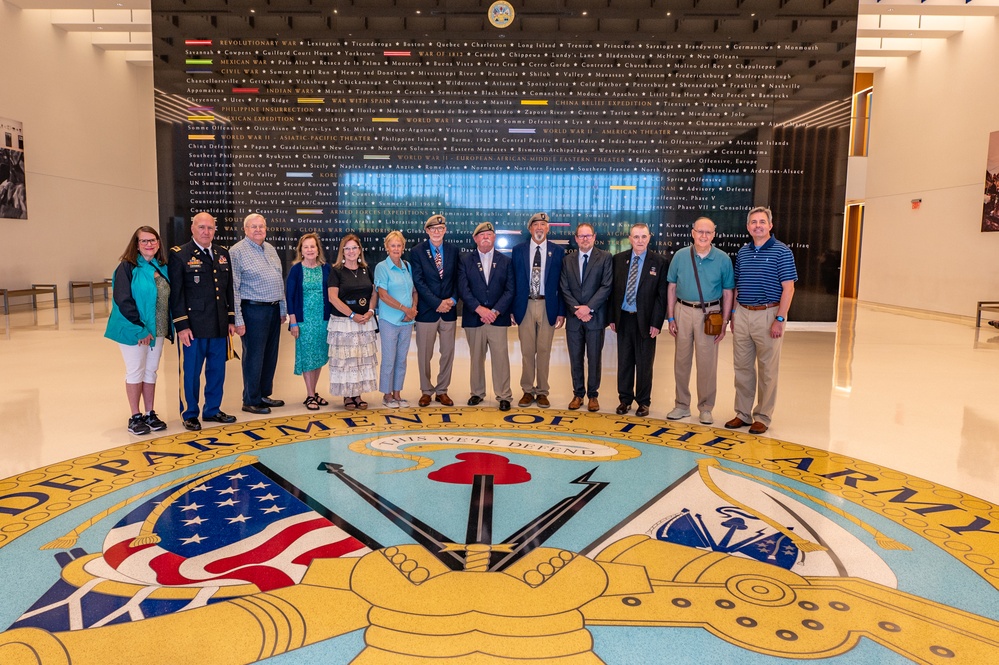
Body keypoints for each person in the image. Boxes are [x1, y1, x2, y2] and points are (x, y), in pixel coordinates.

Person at [725, 206, 798, 435]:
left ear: (770, 225)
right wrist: (735, 314)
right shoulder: (744, 252)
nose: (758, 225)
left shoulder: (782, 251)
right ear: (748, 227)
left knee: (767, 369)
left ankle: (763, 416)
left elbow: (789, 288)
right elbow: (737, 286)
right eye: (753, 222)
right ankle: (743, 413)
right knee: (742, 367)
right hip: (744, 313)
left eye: (762, 222)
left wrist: (779, 319)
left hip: (769, 314)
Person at [168, 212, 237, 432]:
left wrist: (231, 319)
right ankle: (189, 413)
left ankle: (212, 409)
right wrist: (181, 325)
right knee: (191, 373)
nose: (206, 232)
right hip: (193, 328)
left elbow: (228, 290)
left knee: (217, 371)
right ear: (192, 228)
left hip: (218, 325)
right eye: (202, 227)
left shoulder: (222, 253)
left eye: (210, 228)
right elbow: (176, 294)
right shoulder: (180, 255)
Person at [665, 217, 735, 426]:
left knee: (707, 364)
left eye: (708, 232)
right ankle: (681, 405)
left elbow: (728, 292)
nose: (703, 236)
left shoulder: (723, 259)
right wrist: (670, 317)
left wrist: (725, 321)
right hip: (683, 310)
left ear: (714, 234)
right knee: (681, 361)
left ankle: (705, 408)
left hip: (710, 314)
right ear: (693, 232)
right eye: (700, 232)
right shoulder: (680, 256)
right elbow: (671, 287)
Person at [105, 226, 172, 435]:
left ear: (158, 243)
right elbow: (122, 300)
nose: (149, 244)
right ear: (136, 244)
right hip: (133, 329)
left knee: (151, 370)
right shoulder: (127, 268)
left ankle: (150, 412)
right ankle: (135, 416)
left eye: (152, 240)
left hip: (158, 329)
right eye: (143, 241)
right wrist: (140, 328)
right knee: (136, 370)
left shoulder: (162, 267)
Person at [230, 213, 287, 415]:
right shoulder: (237, 252)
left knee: (270, 355)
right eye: (253, 226)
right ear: (245, 229)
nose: (258, 230)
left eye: (261, 226)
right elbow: (234, 287)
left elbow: (278, 280)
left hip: (272, 308)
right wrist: (238, 318)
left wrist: (282, 308)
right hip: (252, 310)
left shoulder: (270, 249)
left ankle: (263, 394)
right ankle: (251, 399)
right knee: (254, 355)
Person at [609, 223, 667, 418]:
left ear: (649, 238)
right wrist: (612, 317)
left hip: (646, 321)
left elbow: (661, 296)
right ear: (630, 238)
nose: (640, 240)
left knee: (644, 363)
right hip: (624, 318)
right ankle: (624, 399)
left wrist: (657, 323)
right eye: (636, 237)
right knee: (624, 361)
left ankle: (643, 402)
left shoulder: (659, 262)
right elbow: (613, 292)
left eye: (643, 236)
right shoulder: (618, 260)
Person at [458, 222, 515, 411]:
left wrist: (495, 311)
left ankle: (504, 395)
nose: (486, 237)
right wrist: (479, 309)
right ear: (475, 239)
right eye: (482, 235)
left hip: (498, 318)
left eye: (489, 234)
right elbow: (463, 289)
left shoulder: (506, 261)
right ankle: (477, 393)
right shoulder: (465, 260)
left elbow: (510, 290)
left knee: (501, 358)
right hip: (474, 318)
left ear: (494, 238)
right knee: (476, 358)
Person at [512, 212, 565, 408]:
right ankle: (527, 390)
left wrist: (561, 311)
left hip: (547, 306)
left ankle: (542, 391)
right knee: (527, 350)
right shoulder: (518, 251)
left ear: (548, 228)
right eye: (536, 225)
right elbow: (513, 281)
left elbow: (561, 283)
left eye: (543, 224)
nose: (540, 228)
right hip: (524, 305)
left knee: (544, 350)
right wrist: (512, 309)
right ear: (530, 229)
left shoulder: (557, 252)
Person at [559, 223, 613, 412]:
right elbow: (564, 288)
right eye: (581, 236)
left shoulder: (605, 258)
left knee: (594, 357)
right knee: (575, 358)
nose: (585, 239)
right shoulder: (568, 260)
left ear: (594, 237)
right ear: (576, 238)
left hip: (595, 318)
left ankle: (593, 395)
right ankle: (578, 394)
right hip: (574, 319)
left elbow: (606, 286)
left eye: (588, 236)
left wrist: (588, 308)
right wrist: (577, 311)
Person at [410, 214, 459, 407]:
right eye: (433, 229)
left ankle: (442, 390)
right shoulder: (417, 251)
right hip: (427, 311)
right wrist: (437, 302)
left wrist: (453, 300)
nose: (437, 232)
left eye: (440, 229)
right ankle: (426, 391)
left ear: (445, 230)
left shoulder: (453, 250)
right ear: (427, 231)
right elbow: (419, 282)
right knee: (424, 354)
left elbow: (457, 278)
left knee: (447, 353)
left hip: (449, 310)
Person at [327, 234, 378, 410]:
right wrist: (351, 315)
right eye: (347, 248)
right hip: (344, 322)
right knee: (346, 360)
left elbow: (373, 293)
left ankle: (358, 394)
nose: (351, 251)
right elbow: (333, 298)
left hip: (364, 322)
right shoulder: (336, 271)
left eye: (354, 248)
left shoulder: (366, 269)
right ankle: (348, 396)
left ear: (359, 250)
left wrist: (371, 311)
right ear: (342, 251)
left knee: (360, 359)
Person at [285, 233, 332, 410]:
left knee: (319, 356)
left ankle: (314, 391)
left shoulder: (326, 268)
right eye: (306, 247)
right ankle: (310, 395)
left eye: (313, 246)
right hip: (304, 321)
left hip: (322, 320)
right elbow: (290, 296)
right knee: (307, 356)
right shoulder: (296, 269)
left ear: (318, 249)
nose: (310, 250)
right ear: (301, 250)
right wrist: (294, 322)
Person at [375, 231, 418, 408]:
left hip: (407, 321)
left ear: (403, 247)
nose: (396, 248)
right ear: (387, 247)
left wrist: (413, 310)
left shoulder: (407, 266)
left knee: (401, 359)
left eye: (399, 245)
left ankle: (398, 394)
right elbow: (383, 295)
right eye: (393, 245)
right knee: (389, 358)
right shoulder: (382, 267)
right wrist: (404, 309)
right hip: (389, 321)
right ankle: (387, 395)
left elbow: (414, 291)